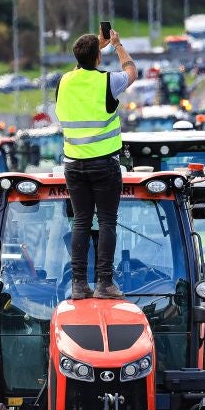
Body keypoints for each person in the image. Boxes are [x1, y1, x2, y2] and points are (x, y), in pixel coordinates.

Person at [56, 27, 138, 299]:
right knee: (106, 222)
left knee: (80, 222)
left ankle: (78, 283)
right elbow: (132, 73)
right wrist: (116, 44)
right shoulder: (107, 81)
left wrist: (92, 50)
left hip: (73, 165)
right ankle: (105, 283)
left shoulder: (65, 81)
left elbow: (78, 70)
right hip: (104, 164)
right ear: (98, 59)